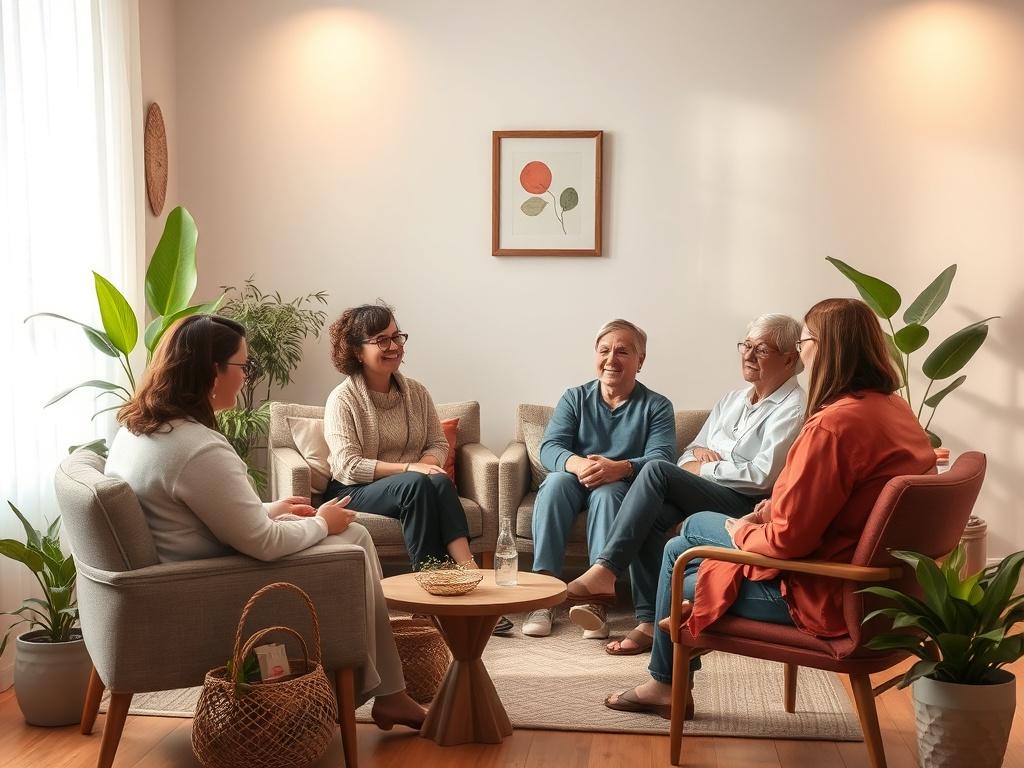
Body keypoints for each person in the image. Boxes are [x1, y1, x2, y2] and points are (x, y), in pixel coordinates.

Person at [602, 297, 936, 720]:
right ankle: (660, 660)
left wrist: (742, 528)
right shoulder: (894, 411)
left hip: (826, 597)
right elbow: (827, 503)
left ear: (825, 349)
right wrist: (765, 512)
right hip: (884, 594)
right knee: (679, 536)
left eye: (805, 341)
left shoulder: (832, 425)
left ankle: (665, 681)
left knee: (683, 549)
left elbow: (787, 539)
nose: (802, 352)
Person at [105, 314, 425, 730]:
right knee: (352, 537)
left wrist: (268, 508)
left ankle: (381, 691)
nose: (246, 377)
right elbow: (265, 544)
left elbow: (187, 514)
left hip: (177, 576)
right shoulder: (197, 448)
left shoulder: (139, 430)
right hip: (211, 587)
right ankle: (379, 692)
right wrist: (322, 523)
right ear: (212, 371)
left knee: (352, 533)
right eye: (243, 366)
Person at [567, 314, 805, 655]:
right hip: (712, 491)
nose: (749, 355)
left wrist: (707, 467)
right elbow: (688, 454)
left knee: (656, 471)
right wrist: (700, 461)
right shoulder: (731, 400)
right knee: (650, 513)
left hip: (747, 505)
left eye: (761, 349)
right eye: (746, 345)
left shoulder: (793, 409)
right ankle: (649, 621)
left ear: (789, 358)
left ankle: (605, 569)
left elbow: (760, 476)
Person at [522, 319, 676, 640]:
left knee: (608, 494)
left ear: (640, 360)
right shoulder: (574, 398)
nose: (611, 359)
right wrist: (578, 464)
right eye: (604, 350)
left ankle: (596, 601)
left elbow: (662, 458)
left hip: (620, 485)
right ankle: (544, 595)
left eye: (622, 352)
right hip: (575, 479)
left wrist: (620, 468)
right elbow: (550, 446)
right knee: (554, 485)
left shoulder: (657, 406)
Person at [322, 301, 473, 570]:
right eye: (381, 340)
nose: (393, 346)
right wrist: (409, 468)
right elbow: (348, 466)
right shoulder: (342, 399)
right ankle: (430, 575)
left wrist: (425, 466)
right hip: (353, 489)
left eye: (396, 337)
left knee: (438, 481)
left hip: (410, 484)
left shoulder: (417, 392)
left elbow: (437, 443)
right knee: (416, 484)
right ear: (357, 351)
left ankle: (469, 569)